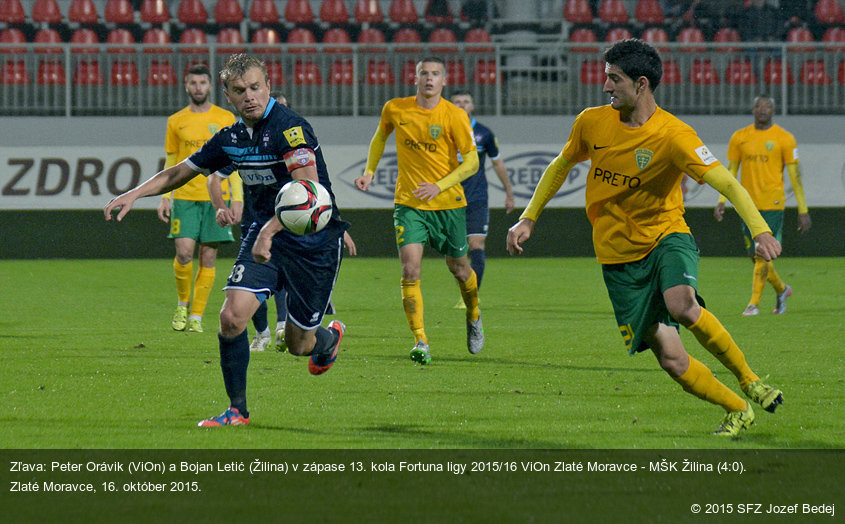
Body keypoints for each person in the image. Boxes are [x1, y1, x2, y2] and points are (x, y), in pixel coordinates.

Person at [506, 39, 784, 438]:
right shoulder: (591, 122)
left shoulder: (675, 136)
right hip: (616, 255)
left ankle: (750, 380)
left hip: (666, 236)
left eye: (613, 79)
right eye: (605, 77)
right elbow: (559, 165)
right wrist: (528, 218)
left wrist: (759, 229)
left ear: (640, 84)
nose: (605, 87)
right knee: (671, 359)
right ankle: (737, 408)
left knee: (682, 304)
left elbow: (728, 182)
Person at [105, 54, 349, 427]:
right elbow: (182, 171)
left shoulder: (290, 127)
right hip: (261, 237)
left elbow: (308, 191)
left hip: (311, 242)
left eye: (255, 87)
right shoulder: (231, 138)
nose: (249, 96)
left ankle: (327, 341)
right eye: (240, 90)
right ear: (228, 95)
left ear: (268, 85)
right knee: (232, 318)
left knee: (300, 345)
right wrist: (136, 193)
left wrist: (268, 231)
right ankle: (237, 410)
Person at [354, 57, 483, 365]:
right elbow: (380, 136)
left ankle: (474, 314)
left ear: (444, 81)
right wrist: (369, 170)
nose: (429, 78)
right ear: (415, 78)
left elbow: (472, 162)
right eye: (424, 73)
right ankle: (421, 339)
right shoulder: (396, 109)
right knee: (410, 270)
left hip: (449, 204)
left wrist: (440, 185)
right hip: (409, 203)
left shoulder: (454, 115)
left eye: (435, 74)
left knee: (460, 269)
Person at [210, 91, 358, 353]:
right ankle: (262, 333)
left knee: (297, 345)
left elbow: (314, 193)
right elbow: (213, 175)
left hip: (301, 236)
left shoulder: (295, 138)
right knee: (240, 303)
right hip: (257, 223)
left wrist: (335, 226)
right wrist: (222, 205)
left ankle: (316, 335)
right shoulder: (244, 142)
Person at [157, 64, 243, 334]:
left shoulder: (226, 118)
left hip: (216, 197)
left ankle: (196, 316)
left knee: (208, 257)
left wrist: (237, 198)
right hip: (185, 195)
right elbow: (172, 160)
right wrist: (164, 195)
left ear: (210, 86)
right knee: (183, 254)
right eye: (193, 83)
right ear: (186, 86)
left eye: (202, 82)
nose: (198, 87)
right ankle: (182, 304)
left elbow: (236, 160)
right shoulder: (176, 121)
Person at [714, 94, 811, 316]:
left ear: (773, 111)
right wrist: (722, 200)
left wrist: (803, 210)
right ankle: (782, 289)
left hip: (773, 204)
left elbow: (795, 177)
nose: (762, 110)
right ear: (753, 110)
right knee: (754, 255)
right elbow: (730, 172)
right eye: (758, 106)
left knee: (762, 254)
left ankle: (754, 304)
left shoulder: (784, 138)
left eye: (767, 106)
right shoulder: (740, 137)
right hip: (746, 206)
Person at [450, 91, 514, 309]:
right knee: (456, 252)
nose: (461, 105)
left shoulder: (484, 134)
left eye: (465, 101)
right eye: (457, 101)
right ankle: (466, 287)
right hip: (449, 199)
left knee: (476, 244)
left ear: (472, 106)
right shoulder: (442, 130)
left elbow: (497, 163)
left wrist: (509, 193)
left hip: (477, 198)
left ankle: (471, 295)